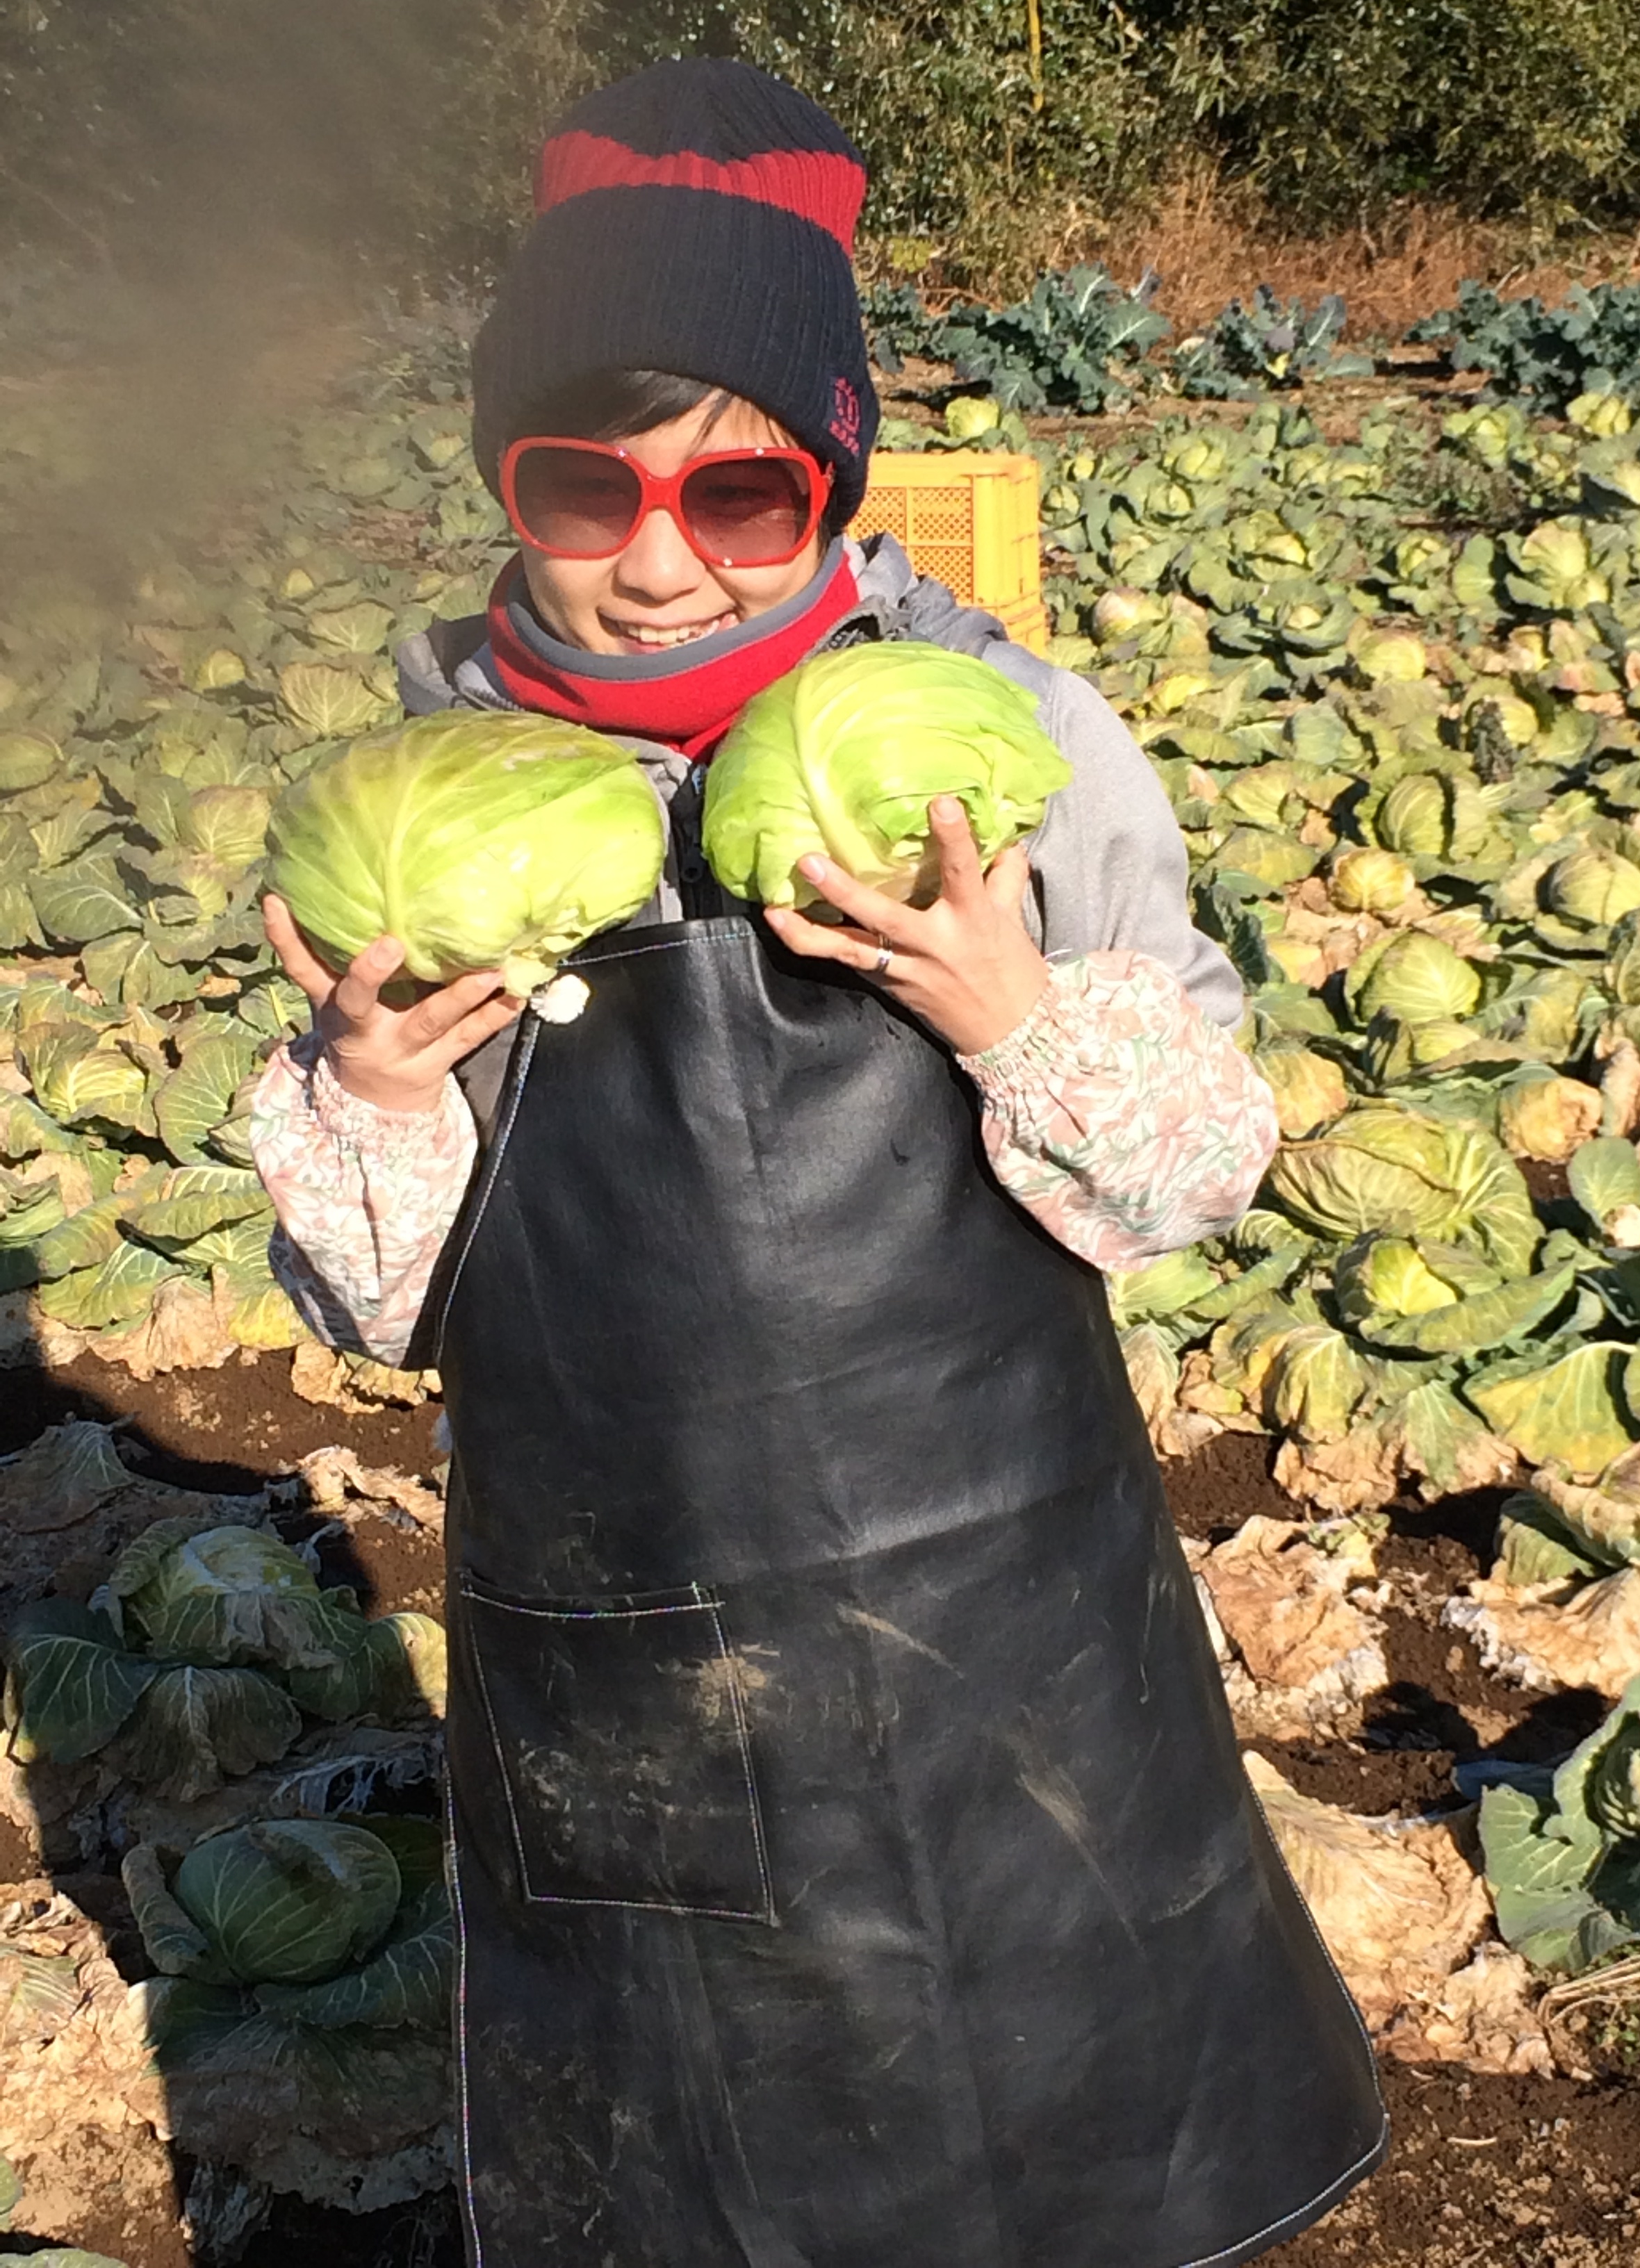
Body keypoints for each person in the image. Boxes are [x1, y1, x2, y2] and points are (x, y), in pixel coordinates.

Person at [252, 56, 1386, 2268]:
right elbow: (379, 1313)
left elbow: (1193, 1180)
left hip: (1014, 1634)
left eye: (742, 494)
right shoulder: (412, 811)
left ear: (836, 481)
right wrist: (376, 1092)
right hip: (633, 1664)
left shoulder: (1016, 740)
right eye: (586, 484)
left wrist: (1010, 1011)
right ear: (506, 480)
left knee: (1096, 2125)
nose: (658, 559)